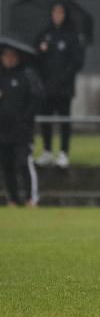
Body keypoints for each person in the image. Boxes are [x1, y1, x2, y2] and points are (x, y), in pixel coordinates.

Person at [34, 2, 86, 169]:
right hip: (46, 87)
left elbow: (77, 61)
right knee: (46, 121)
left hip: (64, 88)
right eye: (55, 12)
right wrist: (41, 50)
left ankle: (64, 153)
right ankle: (47, 151)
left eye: (60, 13)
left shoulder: (72, 36)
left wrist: (62, 78)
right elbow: (35, 60)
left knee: (64, 120)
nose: (57, 16)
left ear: (65, 15)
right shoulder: (45, 34)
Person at [0, 43, 44, 206]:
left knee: (23, 162)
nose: (8, 59)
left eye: (12, 56)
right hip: (3, 130)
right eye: (5, 56)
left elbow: (38, 97)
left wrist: (26, 118)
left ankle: (31, 199)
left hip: (22, 129)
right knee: (6, 165)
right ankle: (12, 199)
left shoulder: (27, 75)